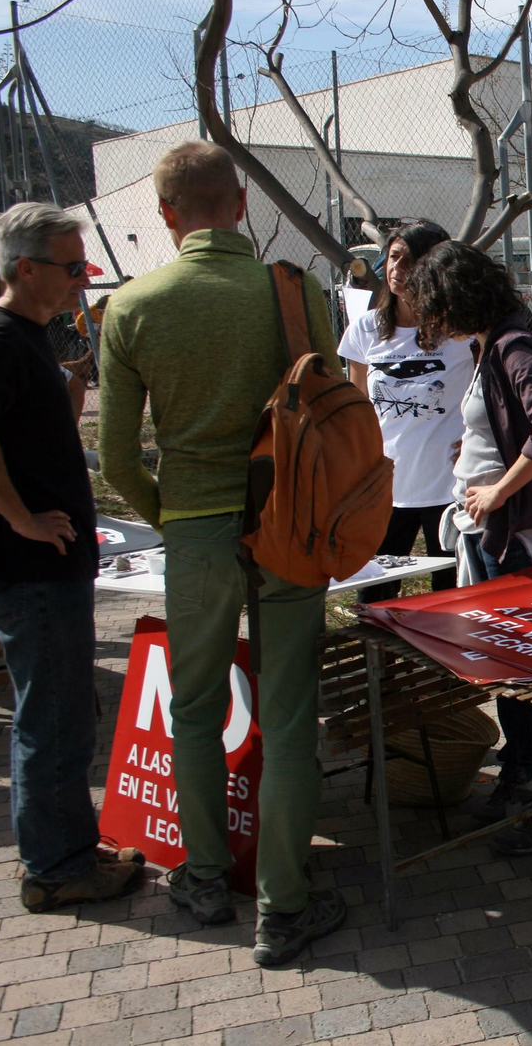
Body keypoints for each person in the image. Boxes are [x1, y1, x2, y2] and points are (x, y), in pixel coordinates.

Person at [99, 140, 347, 966]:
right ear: (241, 203)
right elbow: (330, 407)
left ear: (166, 214)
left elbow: (118, 460)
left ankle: (202, 877)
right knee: (286, 719)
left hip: (194, 535)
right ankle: (284, 908)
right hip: (288, 527)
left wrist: (172, 518)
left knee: (196, 712)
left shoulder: (131, 308)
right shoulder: (292, 289)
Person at [0, 201, 143, 913]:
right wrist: (19, 516)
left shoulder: (21, 335)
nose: (79, 281)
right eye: (69, 267)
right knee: (53, 720)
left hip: (49, 568)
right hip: (31, 572)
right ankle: (57, 869)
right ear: (25, 269)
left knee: (57, 716)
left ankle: (68, 849)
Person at [406, 240, 532, 856]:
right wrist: (475, 460)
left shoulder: (512, 345)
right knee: (510, 668)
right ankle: (524, 771)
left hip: (518, 542)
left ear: (460, 297)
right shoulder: (488, 346)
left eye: (437, 306)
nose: (434, 320)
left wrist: (498, 491)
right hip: (489, 536)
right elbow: (509, 427)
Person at [338, 220, 467, 603]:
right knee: (376, 597)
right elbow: (357, 409)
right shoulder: (364, 330)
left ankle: (444, 665)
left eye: (410, 260)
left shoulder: (459, 333)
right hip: (385, 487)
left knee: (450, 599)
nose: (397, 268)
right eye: (394, 257)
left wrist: (478, 440)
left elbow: (487, 394)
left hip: (448, 486)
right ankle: (383, 664)